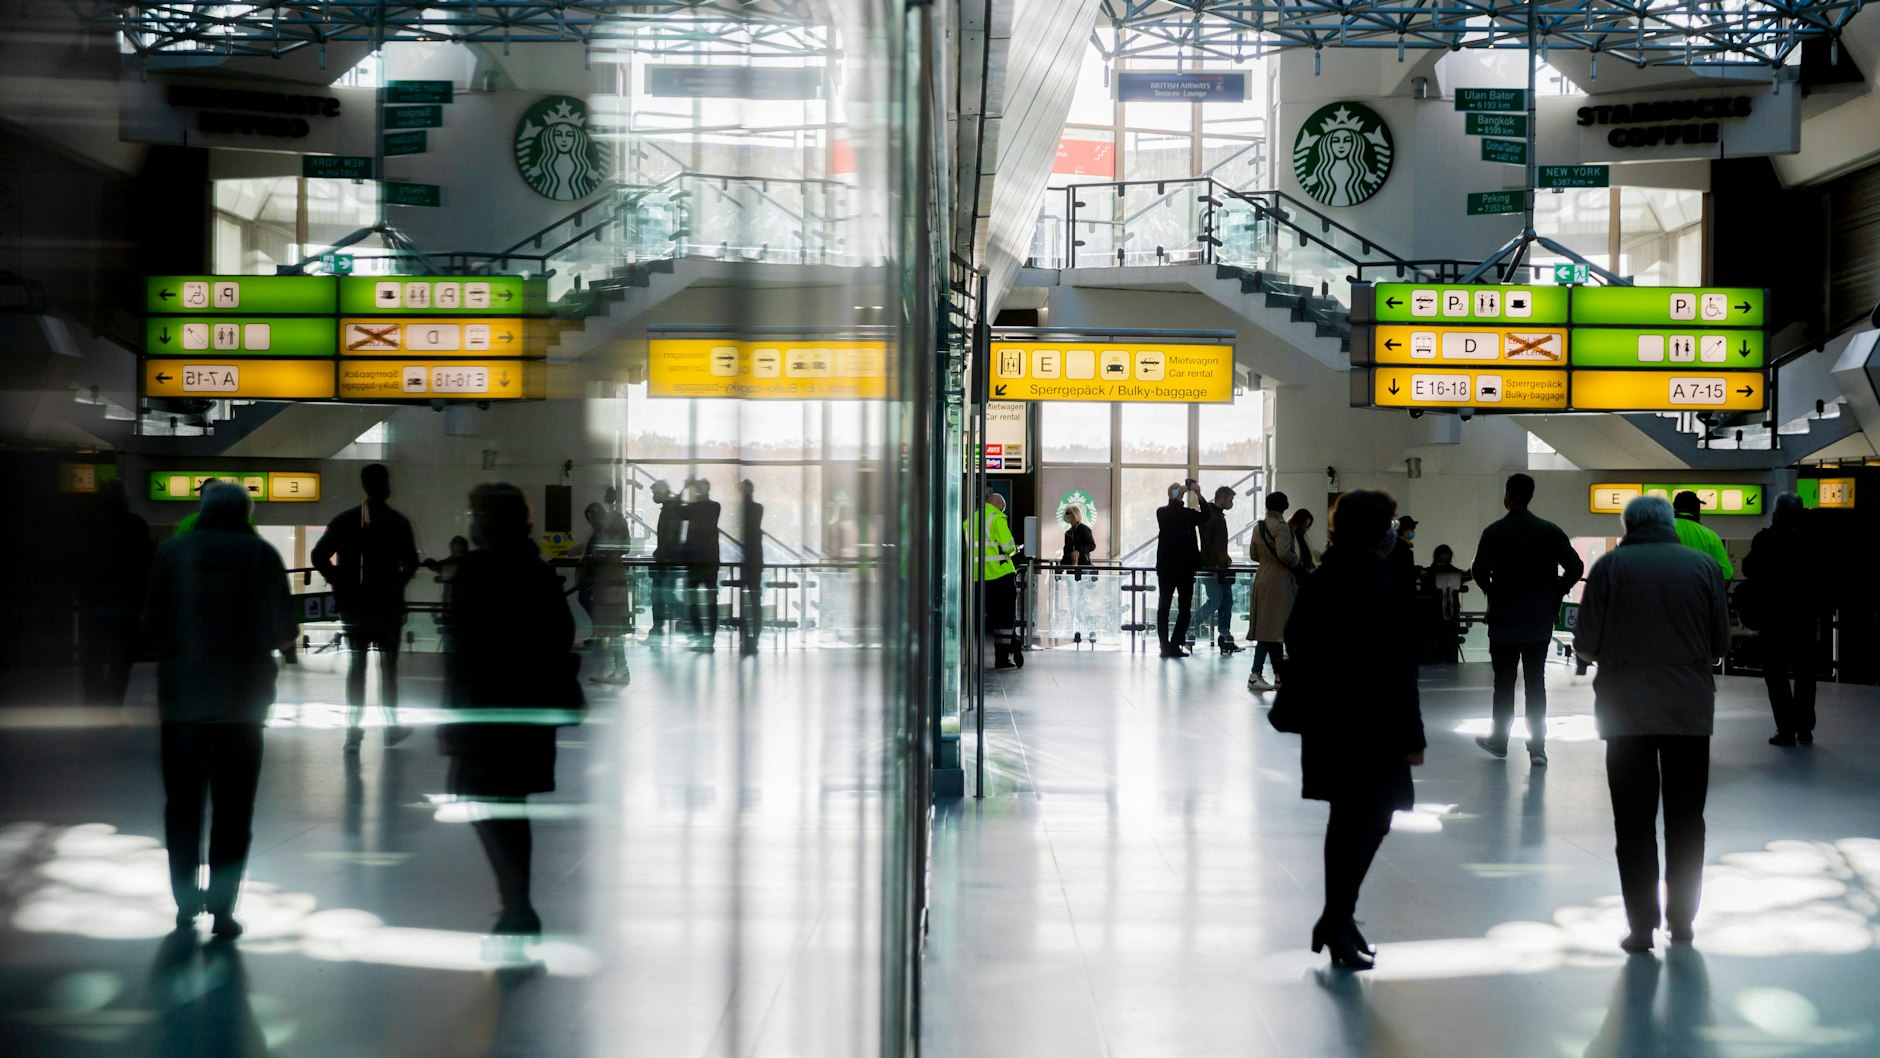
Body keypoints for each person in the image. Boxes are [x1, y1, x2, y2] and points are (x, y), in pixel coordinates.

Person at [1573, 496, 1730, 953]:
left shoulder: (1609, 568)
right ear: (1669, 524)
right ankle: (1682, 921)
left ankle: (1641, 927)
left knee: (1633, 821)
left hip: (1625, 711)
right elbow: (1720, 643)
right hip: (1689, 709)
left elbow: (1585, 643)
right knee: (1687, 819)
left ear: (1629, 526)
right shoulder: (1703, 567)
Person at [143, 482, 296, 939]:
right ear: (245, 513)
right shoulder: (260, 554)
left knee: (182, 806)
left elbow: (151, 626)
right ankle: (223, 909)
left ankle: (184, 902)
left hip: (182, 702)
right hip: (242, 705)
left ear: (203, 509)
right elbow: (284, 627)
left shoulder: (171, 553)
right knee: (234, 809)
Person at [1283, 489, 1425, 970]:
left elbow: (1297, 638)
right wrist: (1412, 735)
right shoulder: (1383, 582)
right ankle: (1337, 918)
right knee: (1371, 818)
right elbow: (1400, 666)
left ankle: (1337, 919)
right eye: (1389, 525)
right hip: (1374, 723)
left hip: (1329, 720)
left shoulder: (1323, 578)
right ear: (1376, 531)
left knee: (1347, 817)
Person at [440, 483, 584, 936]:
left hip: (485, 710)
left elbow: (461, 652)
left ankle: (516, 902)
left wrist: (453, 715)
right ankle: (517, 901)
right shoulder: (536, 570)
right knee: (510, 804)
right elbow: (560, 634)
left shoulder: (474, 571)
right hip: (529, 707)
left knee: (486, 802)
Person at [1470, 473, 1584, 766]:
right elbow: (1575, 566)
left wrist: (1493, 591)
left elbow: (1479, 570)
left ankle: (1499, 741)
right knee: (1536, 683)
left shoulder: (1495, 532)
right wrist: (1557, 590)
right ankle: (1537, 749)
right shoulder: (1549, 531)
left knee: (1504, 683)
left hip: (1504, 621)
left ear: (1507, 495)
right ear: (1531, 496)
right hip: (1539, 620)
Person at [311, 463, 419, 753]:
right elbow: (411, 562)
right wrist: (396, 584)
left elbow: (319, 554)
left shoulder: (345, 520)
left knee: (357, 668)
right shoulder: (397, 522)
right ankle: (391, 729)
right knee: (388, 670)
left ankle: (353, 735)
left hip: (353, 606)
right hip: (387, 607)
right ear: (387, 485)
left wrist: (339, 580)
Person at [1743, 493, 1824, 746]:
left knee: (1776, 674)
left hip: (1773, 618)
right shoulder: (1812, 540)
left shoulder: (1765, 539)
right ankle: (1805, 727)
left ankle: (1786, 729)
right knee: (1805, 674)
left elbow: (1749, 569)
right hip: (1805, 617)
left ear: (1776, 514)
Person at [77, 478, 154, 707]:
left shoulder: (88, 526)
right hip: (126, 603)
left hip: (93, 601)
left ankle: (93, 703)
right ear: (125, 498)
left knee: (92, 658)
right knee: (122, 659)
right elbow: (146, 563)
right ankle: (112, 705)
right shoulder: (136, 526)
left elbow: (77, 563)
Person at [1247, 491, 1298, 690]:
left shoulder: (1258, 527)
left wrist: (1266, 559)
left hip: (1262, 578)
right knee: (1272, 631)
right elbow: (1284, 553)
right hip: (1279, 580)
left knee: (1271, 630)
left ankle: (1279, 676)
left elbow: (1253, 555)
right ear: (1284, 507)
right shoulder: (1282, 527)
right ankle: (1255, 674)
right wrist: (1296, 562)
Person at [577, 500, 631, 684]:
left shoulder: (607, 529)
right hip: (607, 580)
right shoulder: (606, 529)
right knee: (611, 628)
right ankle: (620, 668)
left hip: (608, 580)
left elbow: (620, 548)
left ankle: (620, 668)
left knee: (612, 627)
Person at [966, 491, 1022, 668]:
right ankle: (1002, 657)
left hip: (977, 577)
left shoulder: (969, 521)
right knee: (1004, 619)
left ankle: (971, 656)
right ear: (998, 505)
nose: (1002, 510)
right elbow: (1008, 547)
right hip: (1000, 575)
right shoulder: (997, 518)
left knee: (988, 616)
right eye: (1002, 508)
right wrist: (1015, 549)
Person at [1154, 480, 1209, 658]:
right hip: (1182, 568)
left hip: (1168, 568)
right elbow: (1204, 514)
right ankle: (1172, 644)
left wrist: (1190, 494)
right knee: (1180, 608)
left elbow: (1206, 515)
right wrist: (1194, 494)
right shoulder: (1167, 512)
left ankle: (1168, 645)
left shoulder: (1172, 513)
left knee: (1168, 607)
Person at [680, 479, 723, 651]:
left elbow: (677, 511)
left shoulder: (697, 507)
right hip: (709, 559)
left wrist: (684, 490)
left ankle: (702, 638)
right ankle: (708, 639)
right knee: (710, 601)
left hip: (695, 561)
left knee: (694, 601)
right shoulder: (714, 507)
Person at [1198, 485, 1240, 653]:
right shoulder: (1211, 516)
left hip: (1219, 565)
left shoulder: (1216, 515)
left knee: (1226, 601)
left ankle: (1225, 637)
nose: (1231, 502)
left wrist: (1224, 558)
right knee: (1217, 600)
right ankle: (1189, 630)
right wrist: (1216, 562)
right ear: (1222, 498)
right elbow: (1208, 543)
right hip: (1213, 566)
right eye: (1230, 499)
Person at [649, 481, 684, 636]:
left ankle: (690, 620)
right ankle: (657, 628)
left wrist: (663, 554)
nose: (654, 496)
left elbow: (669, 537)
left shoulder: (670, 511)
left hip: (667, 561)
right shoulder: (671, 509)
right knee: (661, 595)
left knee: (664, 595)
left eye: (655, 493)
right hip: (667, 559)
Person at [1672, 492, 1734, 580]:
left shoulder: (1661, 530)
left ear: (1674, 508)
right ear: (1696, 509)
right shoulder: (1710, 536)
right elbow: (1727, 574)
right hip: (1699, 587)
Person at [1060, 504, 1097, 644]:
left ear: (1075, 515)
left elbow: (1092, 545)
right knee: (1072, 598)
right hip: (1072, 568)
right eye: (1066, 513)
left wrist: (1079, 551)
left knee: (1080, 597)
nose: (1067, 516)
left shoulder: (1084, 529)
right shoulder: (1068, 533)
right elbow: (1066, 552)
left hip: (1082, 567)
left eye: (1069, 513)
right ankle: (1076, 626)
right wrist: (1060, 569)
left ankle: (1087, 625)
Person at [738, 480, 764, 656]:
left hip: (748, 561)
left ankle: (749, 639)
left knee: (748, 603)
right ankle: (752, 639)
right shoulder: (756, 508)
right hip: (754, 560)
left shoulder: (747, 509)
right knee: (754, 602)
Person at [1387, 514, 1418, 583]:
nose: (1412, 532)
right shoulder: (1400, 546)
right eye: (1411, 529)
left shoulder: (1396, 544)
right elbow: (1405, 569)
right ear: (1403, 530)